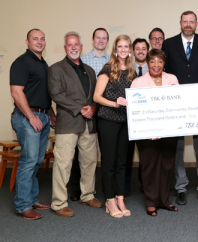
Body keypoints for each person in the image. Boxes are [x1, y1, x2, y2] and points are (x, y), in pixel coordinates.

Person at [162, 11, 198, 207]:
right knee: (178, 148)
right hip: (176, 104)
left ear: (196, 24)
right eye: (185, 21)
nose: (188, 24)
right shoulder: (169, 44)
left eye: (191, 22)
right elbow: (166, 72)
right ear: (180, 23)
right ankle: (181, 187)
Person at [48, 32, 102, 217]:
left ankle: (87, 195)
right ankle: (59, 203)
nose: (73, 47)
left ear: (81, 46)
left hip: (88, 123)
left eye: (76, 44)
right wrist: (81, 108)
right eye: (70, 45)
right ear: (65, 48)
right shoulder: (56, 69)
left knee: (89, 162)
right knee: (63, 164)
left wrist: (93, 108)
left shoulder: (90, 70)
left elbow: (95, 95)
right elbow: (57, 94)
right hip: (68, 123)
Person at [10, 29, 56, 219]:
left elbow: (42, 92)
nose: (39, 41)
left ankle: (32, 198)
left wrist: (50, 113)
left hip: (42, 116)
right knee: (28, 162)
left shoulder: (42, 63)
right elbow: (16, 92)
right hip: (28, 118)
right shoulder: (22, 62)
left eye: (42, 39)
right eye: (35, 39)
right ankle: (23, 206)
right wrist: (31, 116)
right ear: (27, 41)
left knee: (36, 160)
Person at [130, 49, 180, 216]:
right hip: (146, 133)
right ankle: (151, 202)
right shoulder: (138, 82)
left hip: (169, 131)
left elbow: (180, 103)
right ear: (147, 63)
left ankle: (165, 200)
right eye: (153, 62)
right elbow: (134, 110)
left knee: (167, 166)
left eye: (160, 61)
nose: (156, 65)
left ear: (164, 63)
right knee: (149, 166)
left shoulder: (172, 79)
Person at [93, 35, 137, 218]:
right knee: (109, 162)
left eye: (126, 46)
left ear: (130, 50)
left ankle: (120, 198)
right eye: (120, 46)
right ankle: (109, 200)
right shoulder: (108, 69)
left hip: (126, 123)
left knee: (122, 162)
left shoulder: (133, 72)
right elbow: (96, 97)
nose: (123, 49)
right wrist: (114, 103)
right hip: (108, 120)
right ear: (115, 49)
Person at [70, 27, 110, 202]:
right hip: (87, 112)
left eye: (104, 38)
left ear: (107, 41)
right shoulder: (82, 60)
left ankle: (101, 189)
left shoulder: (113, 60)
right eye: (98, 38)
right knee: (82, 153)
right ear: (93, 39)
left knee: (106, 152)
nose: (101, 41)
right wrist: (88, 107)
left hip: (109, 113)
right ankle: (76, 189)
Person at [125, 38, 149, 196]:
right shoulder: (125, 68)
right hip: (127, 119)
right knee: (126, 155)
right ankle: (124, 189)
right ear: (133, 52)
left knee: (146, 156)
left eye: (143, 48)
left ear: (147, 50)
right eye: (137, 49)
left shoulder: (155, 68)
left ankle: (146, 186)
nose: (140, 51)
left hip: (147, 119)